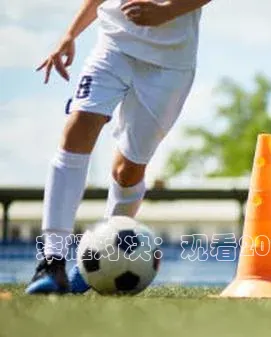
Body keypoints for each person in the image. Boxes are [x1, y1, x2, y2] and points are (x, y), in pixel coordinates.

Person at [27, 0, 212, 295]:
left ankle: (94, 268)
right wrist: (70, 34)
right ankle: (52, 262)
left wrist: (167, 11)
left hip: (171, 63)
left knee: (127, 170)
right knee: (78, 127)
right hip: (114, 44)